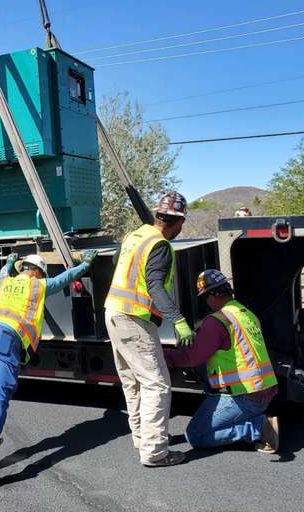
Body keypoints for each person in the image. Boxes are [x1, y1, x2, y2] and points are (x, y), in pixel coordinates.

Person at [0, 249, 98, 485]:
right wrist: (85, 265)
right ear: (37, 272)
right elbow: (65, 279)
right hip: (6, 337)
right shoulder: (38, 285)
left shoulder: (3, 280)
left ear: (22, 268)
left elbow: (5, 269)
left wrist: (8, 262)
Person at [104, 191, 195, 467]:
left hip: (114, 312)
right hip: (134, 318)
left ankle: (143, 437)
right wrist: (178, 320)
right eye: (181, 224)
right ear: (176, 221)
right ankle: (155, 451)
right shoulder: (160, 246)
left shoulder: (135, 235)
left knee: (133, 381)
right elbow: (154, 285)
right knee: (157, 383)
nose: (181, 229)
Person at [164, 269, 280, 453]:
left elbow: (193, 357)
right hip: (264, 392)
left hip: (244, 396)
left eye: (204, 297)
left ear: (212, 295)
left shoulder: (217, 321)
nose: (206, 302)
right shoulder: (246, 314)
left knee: (195, 435)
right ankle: (253, 420)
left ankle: (258, 428)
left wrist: (165, 356)